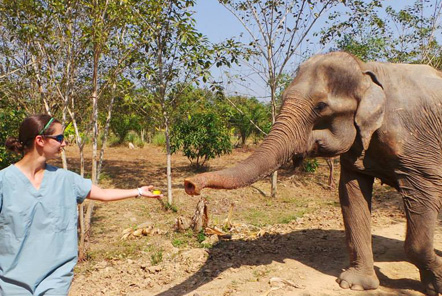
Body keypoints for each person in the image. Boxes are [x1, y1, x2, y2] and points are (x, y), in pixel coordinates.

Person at [0, 114, 163, 295]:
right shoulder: (3, 182)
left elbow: (104, 194)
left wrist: (138, 191)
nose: (64, 144)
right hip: (12, 282)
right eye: (59, 138)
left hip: (54, 279)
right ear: (40, 140)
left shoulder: (66, 180)